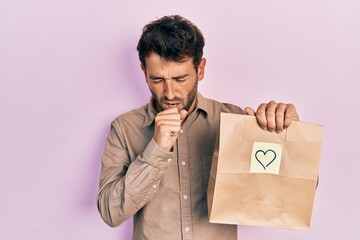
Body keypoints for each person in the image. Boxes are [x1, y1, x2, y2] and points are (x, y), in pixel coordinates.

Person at [97, 15, 299, 240]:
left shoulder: (233, 120)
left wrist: (287, 134)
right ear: (144, 72)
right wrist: (157, 149)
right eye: (157, 79)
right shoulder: (124, 128)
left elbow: (294, 193)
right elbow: (109, 212)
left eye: (180, 79)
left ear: (200, 69)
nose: (170, 93)